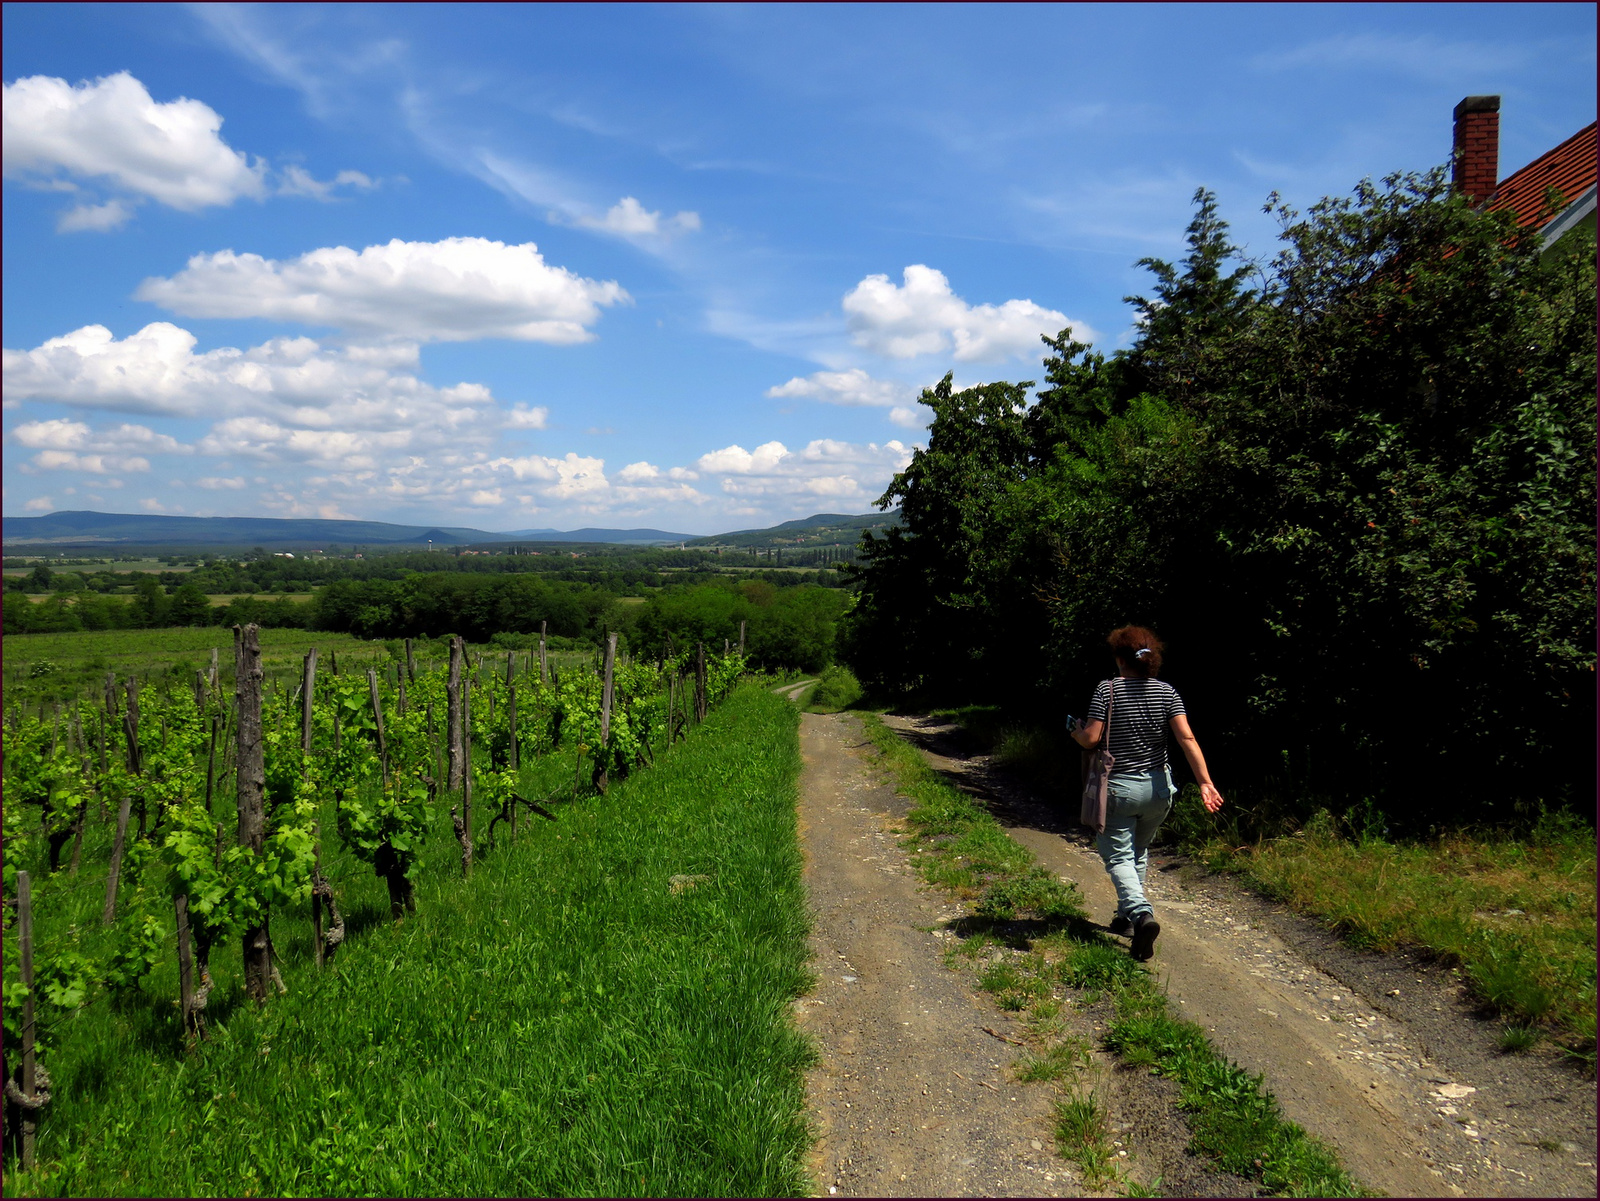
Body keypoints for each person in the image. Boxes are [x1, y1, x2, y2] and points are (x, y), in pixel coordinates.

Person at [1068, 626, 1223, 961]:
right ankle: (1124, 919)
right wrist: (1205, 782)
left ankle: (1140, 915)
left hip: (1120, 789)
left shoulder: (1107, 690)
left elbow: (1092, 739)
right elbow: (1187, 740)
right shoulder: (1167, 692)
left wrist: (1076, 732)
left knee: (1118, 856)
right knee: (1137, 851)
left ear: (1120, 658)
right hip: (1159, 790)